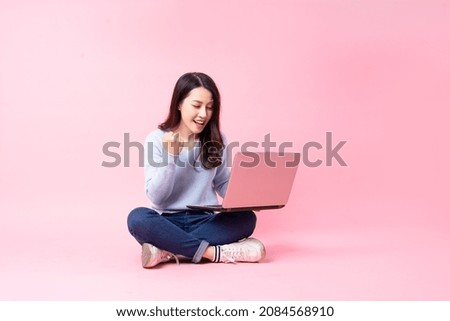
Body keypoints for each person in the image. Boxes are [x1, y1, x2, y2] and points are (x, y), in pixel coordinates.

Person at [127, 72, 266, 268]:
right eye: (197, 105)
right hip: (166, 221)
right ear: (179, 103)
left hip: (206, 221)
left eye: (210, 108)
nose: (203, 114)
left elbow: (222, 182)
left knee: (247, 218)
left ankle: (166, 249)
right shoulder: (156, 139)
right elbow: (157, 198)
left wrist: (246, 197)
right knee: (137, 218)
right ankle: (214, 253)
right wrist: (171, 156)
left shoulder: (217, 139)